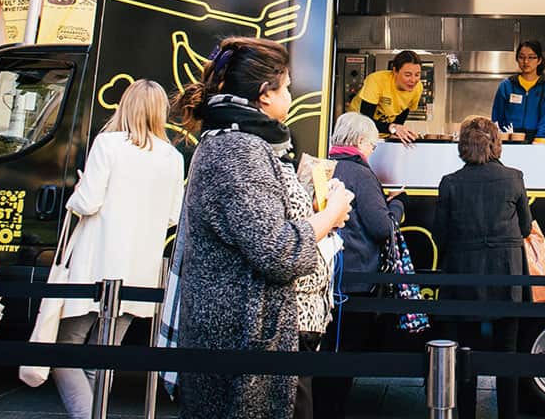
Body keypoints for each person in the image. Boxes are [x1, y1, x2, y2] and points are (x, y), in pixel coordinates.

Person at [174, 37, 353, 419]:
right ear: (264, 94)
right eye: (286, 86)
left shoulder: (233, 143)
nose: (290, 94)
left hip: (242, 334)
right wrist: (332, 213)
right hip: (242, 338)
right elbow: (278, 250)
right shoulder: (239, 150)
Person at [53, 79, 185, 419]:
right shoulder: (171, 156)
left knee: (62, 351)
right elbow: (173, 216)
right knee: (105, 356)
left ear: (125, 105)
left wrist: (81, 187)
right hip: (139, 270)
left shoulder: (108, 144)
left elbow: (87, 202)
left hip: (94, 264)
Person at [434, 116, 532, 419]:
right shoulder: (514, 178)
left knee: (464, 355)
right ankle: (509, 414)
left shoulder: (450, 183)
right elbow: (526, 228)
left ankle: (466, 414)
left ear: (463, 146)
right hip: (507, 278)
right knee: (508, 354)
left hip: (463, 280)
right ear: (496, 144)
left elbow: (440, 235)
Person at [313, 112, 405, 419]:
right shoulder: (361, 174)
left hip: (325, 277)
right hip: (354, 281)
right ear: (361, 142)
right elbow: (381, 228)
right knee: (344, 360)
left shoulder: (322, 167)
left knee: (325, 356)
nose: (372, 152)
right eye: (373, 146)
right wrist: (395, 204)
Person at [490, 40, 545, 144]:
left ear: (539, 60)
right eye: (522, 57)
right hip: (510, 141)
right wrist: (502, 138)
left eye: (531, 57)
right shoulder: (506, 85)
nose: (526, 62)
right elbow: (497, 117)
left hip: (538, 142)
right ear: (517, 59)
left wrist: (540, 140)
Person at [348, 51, 423, 144]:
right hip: (357, 131)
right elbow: (365, 121)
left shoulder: (418, 88)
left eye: (417, 75)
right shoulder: (376, 81)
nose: (413, 80)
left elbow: (402, 115)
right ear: (395, 71)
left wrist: (396, 132)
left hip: (383, 134)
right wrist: (392, 128)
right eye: (407, 75)